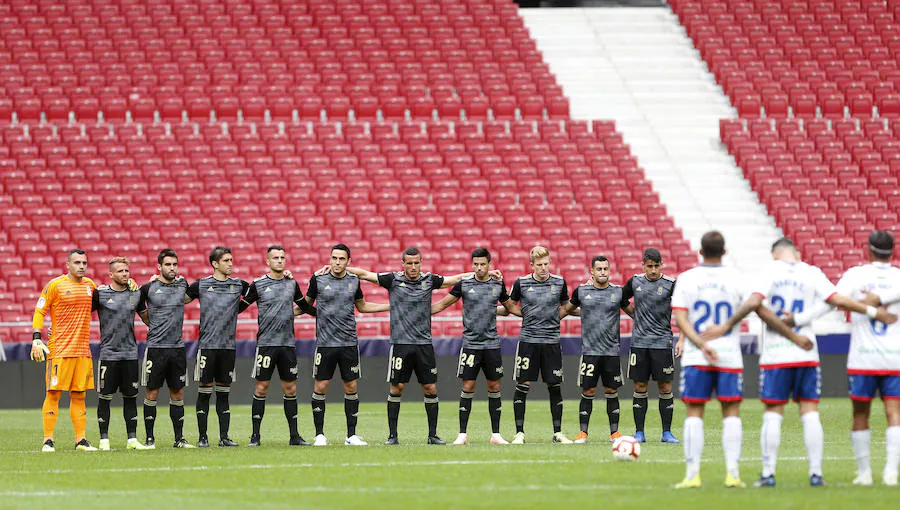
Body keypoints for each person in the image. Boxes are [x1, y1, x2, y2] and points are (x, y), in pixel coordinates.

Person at [704, 237, 897, 487]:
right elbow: (835, 300)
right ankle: (816, 474)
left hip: (776, 353)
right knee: (810, 411)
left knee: (773, 412)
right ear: (795, 253)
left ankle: (768, 474)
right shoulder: (812, 272)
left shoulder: (769, 271)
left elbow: (755, 302)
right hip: (807, 352)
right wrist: (874, 310)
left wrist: (728, 325)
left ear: (775, 254)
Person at [671, 231, 812, 489]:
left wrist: (701, 343)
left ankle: (692, 476)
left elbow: (680, 318)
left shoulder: (687, 279)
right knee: (731, 414)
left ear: (700, 252)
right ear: (725, 252)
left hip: (696, 356)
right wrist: (792, 334)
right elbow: (760, 309)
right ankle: (732, 475)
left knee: (694, 413)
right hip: (729, 356)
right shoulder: (738, 278)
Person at [342, 246, 492, 445]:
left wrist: (480, 272)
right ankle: (392, 436)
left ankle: (432, 435)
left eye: (416, 263)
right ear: (402, 264)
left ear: (421, 263)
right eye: (409, 263)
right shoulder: (392, 280)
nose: (413, 267)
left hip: (424, 345)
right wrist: (339, 267)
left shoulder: (429, 280)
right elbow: (364, 274)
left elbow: (453, 279)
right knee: (397, 387)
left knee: (430, 388)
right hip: (400, 344)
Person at [795, 230, 900, 486]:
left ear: (868, 249)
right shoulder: (898, 277)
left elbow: (831, 301)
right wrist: (885, 299)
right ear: (893, 251)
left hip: (863, 358)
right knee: (894, 412)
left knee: (860, 414)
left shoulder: (856, 275)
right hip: (895, 357)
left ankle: (864, 473)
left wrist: (799, 319)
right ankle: (891, 472)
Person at [304, 244, 389, 446]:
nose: (337, 262)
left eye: (342, 259)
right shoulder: (318, 278)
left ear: (348, 262)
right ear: (330, 259)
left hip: (349, 342)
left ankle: (351, 435)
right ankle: (319, 435)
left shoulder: (354, 280)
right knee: (321, 386)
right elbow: (306, 304)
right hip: (325, 343)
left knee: (351, 386)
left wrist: (390, 306)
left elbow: (362, 306)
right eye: (334, 258)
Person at [431, 247, 516, 445]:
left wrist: (532, 314)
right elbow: (442, 304)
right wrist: (420, 312)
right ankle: (462, 434)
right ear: (472, 265)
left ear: (489, 264)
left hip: (492, 344)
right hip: (470, 344)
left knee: (494, 386)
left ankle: (495, 435)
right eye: (476, 264)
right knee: (468, 386)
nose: (479, 268)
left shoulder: (497, 285)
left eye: (482, 264)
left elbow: (510, 308)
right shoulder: (464, 284)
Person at [240, 245, 316, 447]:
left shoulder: (292, 283)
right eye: (276, 257)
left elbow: (305, 306)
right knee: (261, 387)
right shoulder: (258, 284)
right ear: (268, 261)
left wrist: (323, 313)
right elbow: (241, 305)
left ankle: (294, 436)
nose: (280, 260)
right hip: (266, 344)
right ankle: (255, 436)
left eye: (283, 257)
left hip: (287, 345)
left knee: (290, 389)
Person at [500, 245, 572, 444]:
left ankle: (557, 432)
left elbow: (566, 305)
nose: (543, 268)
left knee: (554, 386)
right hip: (528, 341)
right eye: (539, 265)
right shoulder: (521, 283)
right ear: (531, 265)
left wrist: (555, 317)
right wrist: (528, 316)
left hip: (551, 342)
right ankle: (519, 433)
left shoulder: (559, 282)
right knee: (523, 384)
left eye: (546, 264)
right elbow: (510, 306)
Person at [560, 255, 633, 443]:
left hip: (611, 352)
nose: (602, 272)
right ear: (591, 271)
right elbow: (566, 310)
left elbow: (633, 312)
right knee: (588, 390)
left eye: (605, 269)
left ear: (609, 270)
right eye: (599, 269)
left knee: (611, 390)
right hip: (590, 351)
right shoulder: (582, 291)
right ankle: (583, 433)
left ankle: (614, 433)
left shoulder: (618, 292)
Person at [32, 249, 99, 452]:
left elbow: (104, 303)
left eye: (84, 262)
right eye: (77, 262)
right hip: (59, 349)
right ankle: (48, 440)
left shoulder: (90, 286)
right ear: (67, 265)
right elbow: (40, 310)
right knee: (53, 394)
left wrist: (129, 285)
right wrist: (36, 338)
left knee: (79, 396)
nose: (81, 266)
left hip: (82, 351)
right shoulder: (55, 285)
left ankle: (81, 440)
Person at [185, 246, 250, 447]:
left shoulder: (239, 285)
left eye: (231, 260)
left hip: (228, 347)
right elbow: (179, 299)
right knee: (204, 390)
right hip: (207, 346)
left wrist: (236, 309)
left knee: (224, 393)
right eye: (226, 261)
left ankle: (224, 437)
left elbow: (258, 291)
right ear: (215, 263)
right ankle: (203, 437)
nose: (231, 264)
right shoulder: (201, 285)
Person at [619, 248, 678, 443]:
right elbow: (621, 298)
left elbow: (683, 308)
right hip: (640, 343)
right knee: (640, 385)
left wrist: (683, 339)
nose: (653, 270)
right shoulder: (635, 281)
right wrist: (634, 314)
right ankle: (639, 432)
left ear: (662, 265)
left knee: (665, 386)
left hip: (662, 342)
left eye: (656, 266)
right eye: (649, 266)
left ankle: (666, 432)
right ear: (643, 265)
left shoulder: (670, 284)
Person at [136, 249, 194, 448]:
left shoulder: (182, 285)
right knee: (151, 393)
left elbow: (192, 295)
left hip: (177, 349)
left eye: (174, 264)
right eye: (168, 265)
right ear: (159, 267)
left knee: (177, 394)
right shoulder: (148, 288)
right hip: (156, 348)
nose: (172, 268)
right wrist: (147, 319)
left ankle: (179, 439)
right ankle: (150, 439)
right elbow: (135, 304)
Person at [93, 257, 151, 451]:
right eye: (120, 271)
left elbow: (147, 318)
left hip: (130, 354)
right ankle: (104, 440)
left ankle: (132, 439)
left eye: (127, 270)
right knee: (105, 397)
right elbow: (81, 313)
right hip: (108, 354)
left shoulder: (135, 294)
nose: (125, 274)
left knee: (130, 397)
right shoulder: (100, 294)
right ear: (111, 274)